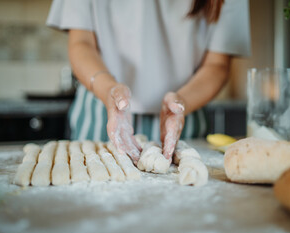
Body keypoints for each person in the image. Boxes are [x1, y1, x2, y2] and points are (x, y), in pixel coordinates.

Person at [47, 0, 251, 163]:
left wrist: (181, 102)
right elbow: (81, 43)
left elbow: (217, 65)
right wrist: (108, 89)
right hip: (101, 114)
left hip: (182, 118)